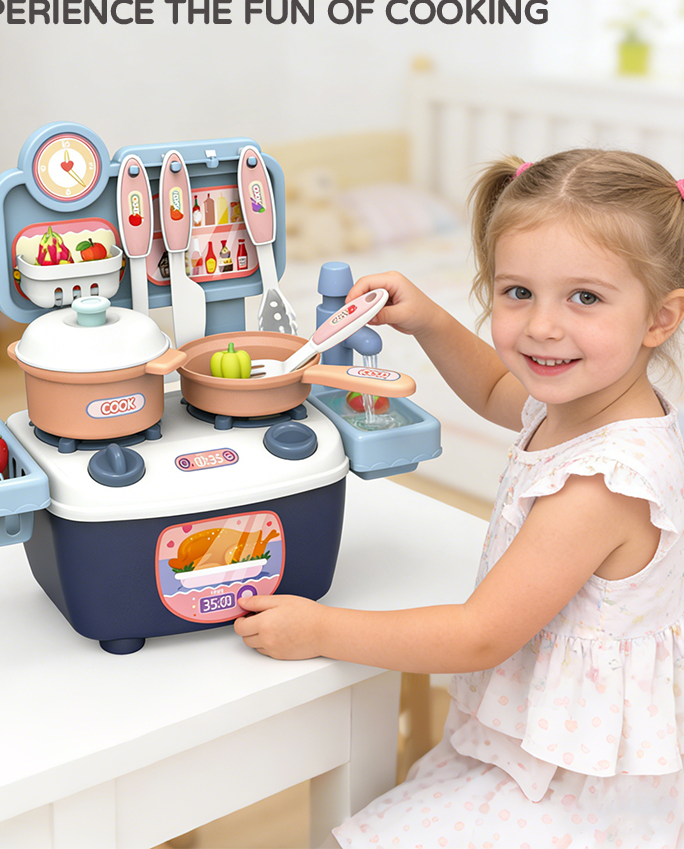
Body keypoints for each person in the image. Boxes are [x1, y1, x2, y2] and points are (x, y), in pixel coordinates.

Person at [235, 149, 684, 848]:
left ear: (660, 319)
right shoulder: (583, 400)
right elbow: (497, 392)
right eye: (517, 292)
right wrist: (435, 322)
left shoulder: (601, 483)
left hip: (573, 785)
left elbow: (480, 635)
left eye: (585, 298)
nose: (541, 327)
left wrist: (318, 630)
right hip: (537, 736)